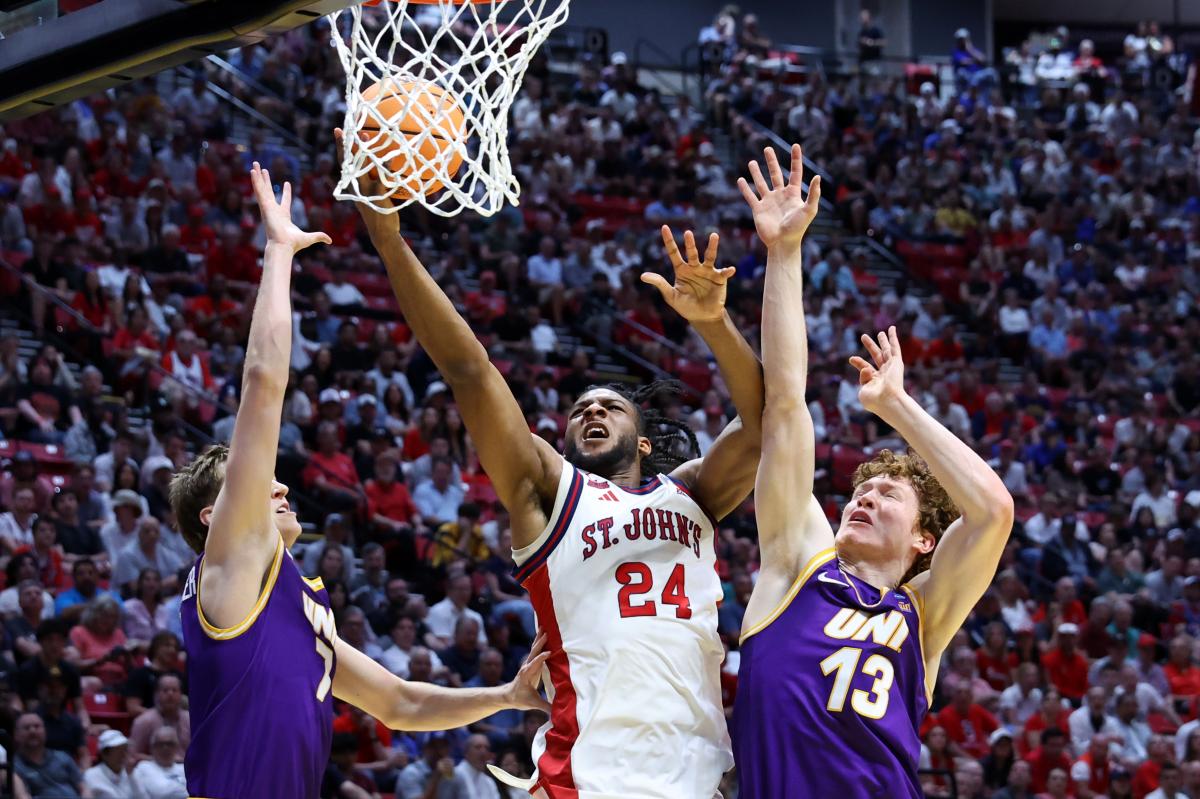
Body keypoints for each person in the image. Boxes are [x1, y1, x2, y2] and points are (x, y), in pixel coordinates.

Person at [343, 125, 765, 798]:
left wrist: (714, 323)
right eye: (579, 409)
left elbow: (770, 422)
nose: (591, 412)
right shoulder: (549, 494)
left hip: (697, 776)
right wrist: (390, 241)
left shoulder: (693, 493)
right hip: (585, 777)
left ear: (646, 440)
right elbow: (469, 371)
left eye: (610, 406)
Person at [168, 164, 549, 799]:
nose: (283, 488)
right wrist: (278, 251)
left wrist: (507, 696)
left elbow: (400, 703)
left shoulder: (295, 610)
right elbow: (263, 384)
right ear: (215, 516)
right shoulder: (231, 559)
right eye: (264, 484)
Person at [730, 145, 1015, 798]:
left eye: (887, 494)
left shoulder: (924, 614)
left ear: (925, 539)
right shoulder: (795, 564)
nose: (862, 499)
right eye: (859, 490)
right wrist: (783, 252)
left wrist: (896, 405)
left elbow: (994, 512)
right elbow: (783, 406)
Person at [12, 712, 86, 798]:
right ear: (16, 735)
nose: (32, 731)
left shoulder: (63, 757)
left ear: (45, 731)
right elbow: (22, 796)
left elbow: (84, 788)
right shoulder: (14, 766)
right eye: (26, 728)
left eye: (37, 726)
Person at [131, 727, 187, 799]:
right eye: (160, 744)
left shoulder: (183, 769)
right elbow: (161, 792)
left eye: (169, 744)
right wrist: (183, 787)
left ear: (176, 747)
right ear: (152, 748)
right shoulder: (144, 767)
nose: (165, 748)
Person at [83, 730, 135, 798]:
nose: (123, 755)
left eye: (125, 749)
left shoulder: (131, 773)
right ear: (104, 754)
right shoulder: (90, 776)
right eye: (118, 751)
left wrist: (132, 777)